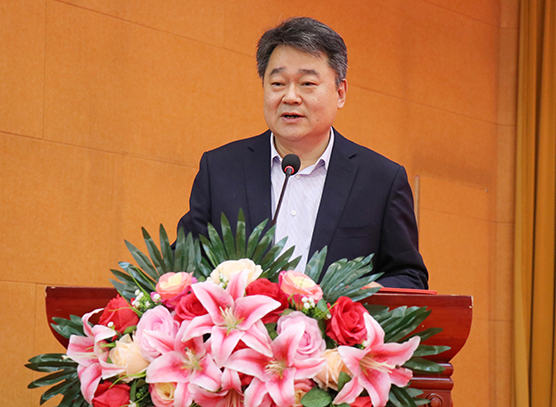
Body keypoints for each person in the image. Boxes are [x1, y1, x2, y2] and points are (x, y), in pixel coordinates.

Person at [177, 17, 428, 289]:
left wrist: (361, 297)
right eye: (278, 83)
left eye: (307, 83)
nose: (290, 97)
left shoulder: (381, 180)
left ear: (340, 93)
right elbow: (183, 264)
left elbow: (409, 276)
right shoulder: (221, 170)